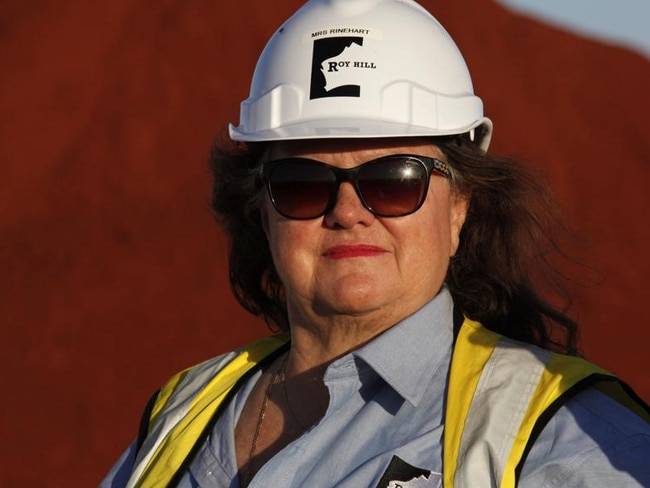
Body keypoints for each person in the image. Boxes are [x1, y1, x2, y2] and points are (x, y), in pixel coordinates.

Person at [100, 0, 650, 486]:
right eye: (302, 184)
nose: (347, 212)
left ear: (459, 207)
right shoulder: (183, 413)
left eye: (394, 182)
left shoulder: (566, 442)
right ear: (261, 213)